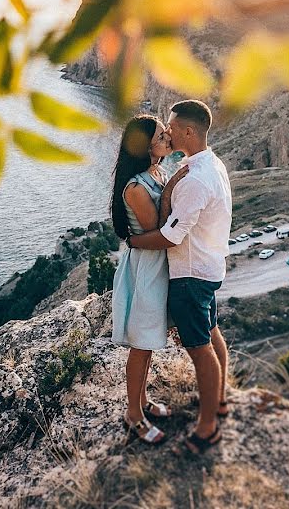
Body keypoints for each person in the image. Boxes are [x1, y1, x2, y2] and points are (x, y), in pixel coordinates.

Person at [127, 100, 233, 455]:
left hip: (189, 276)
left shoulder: (194, 180)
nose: (167, 132)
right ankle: (218, 404)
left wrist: (132, 241)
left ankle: (207, 430)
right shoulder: (211, 165)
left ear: (189, 131)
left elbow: (169, 236)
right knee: (213, 335)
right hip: (210, 267)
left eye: (171, 127)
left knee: (199, 350)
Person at [110, 114, 185, 445]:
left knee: (150, 340)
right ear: (144, 147)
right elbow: (159, 229)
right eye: (160, 136)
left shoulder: (156, 171)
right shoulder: (137, 187)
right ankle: (134, 415)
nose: (167, 137)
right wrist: (174, 186)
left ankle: (142, 402)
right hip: (146, 269)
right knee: (141, 346)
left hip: (158, 264)